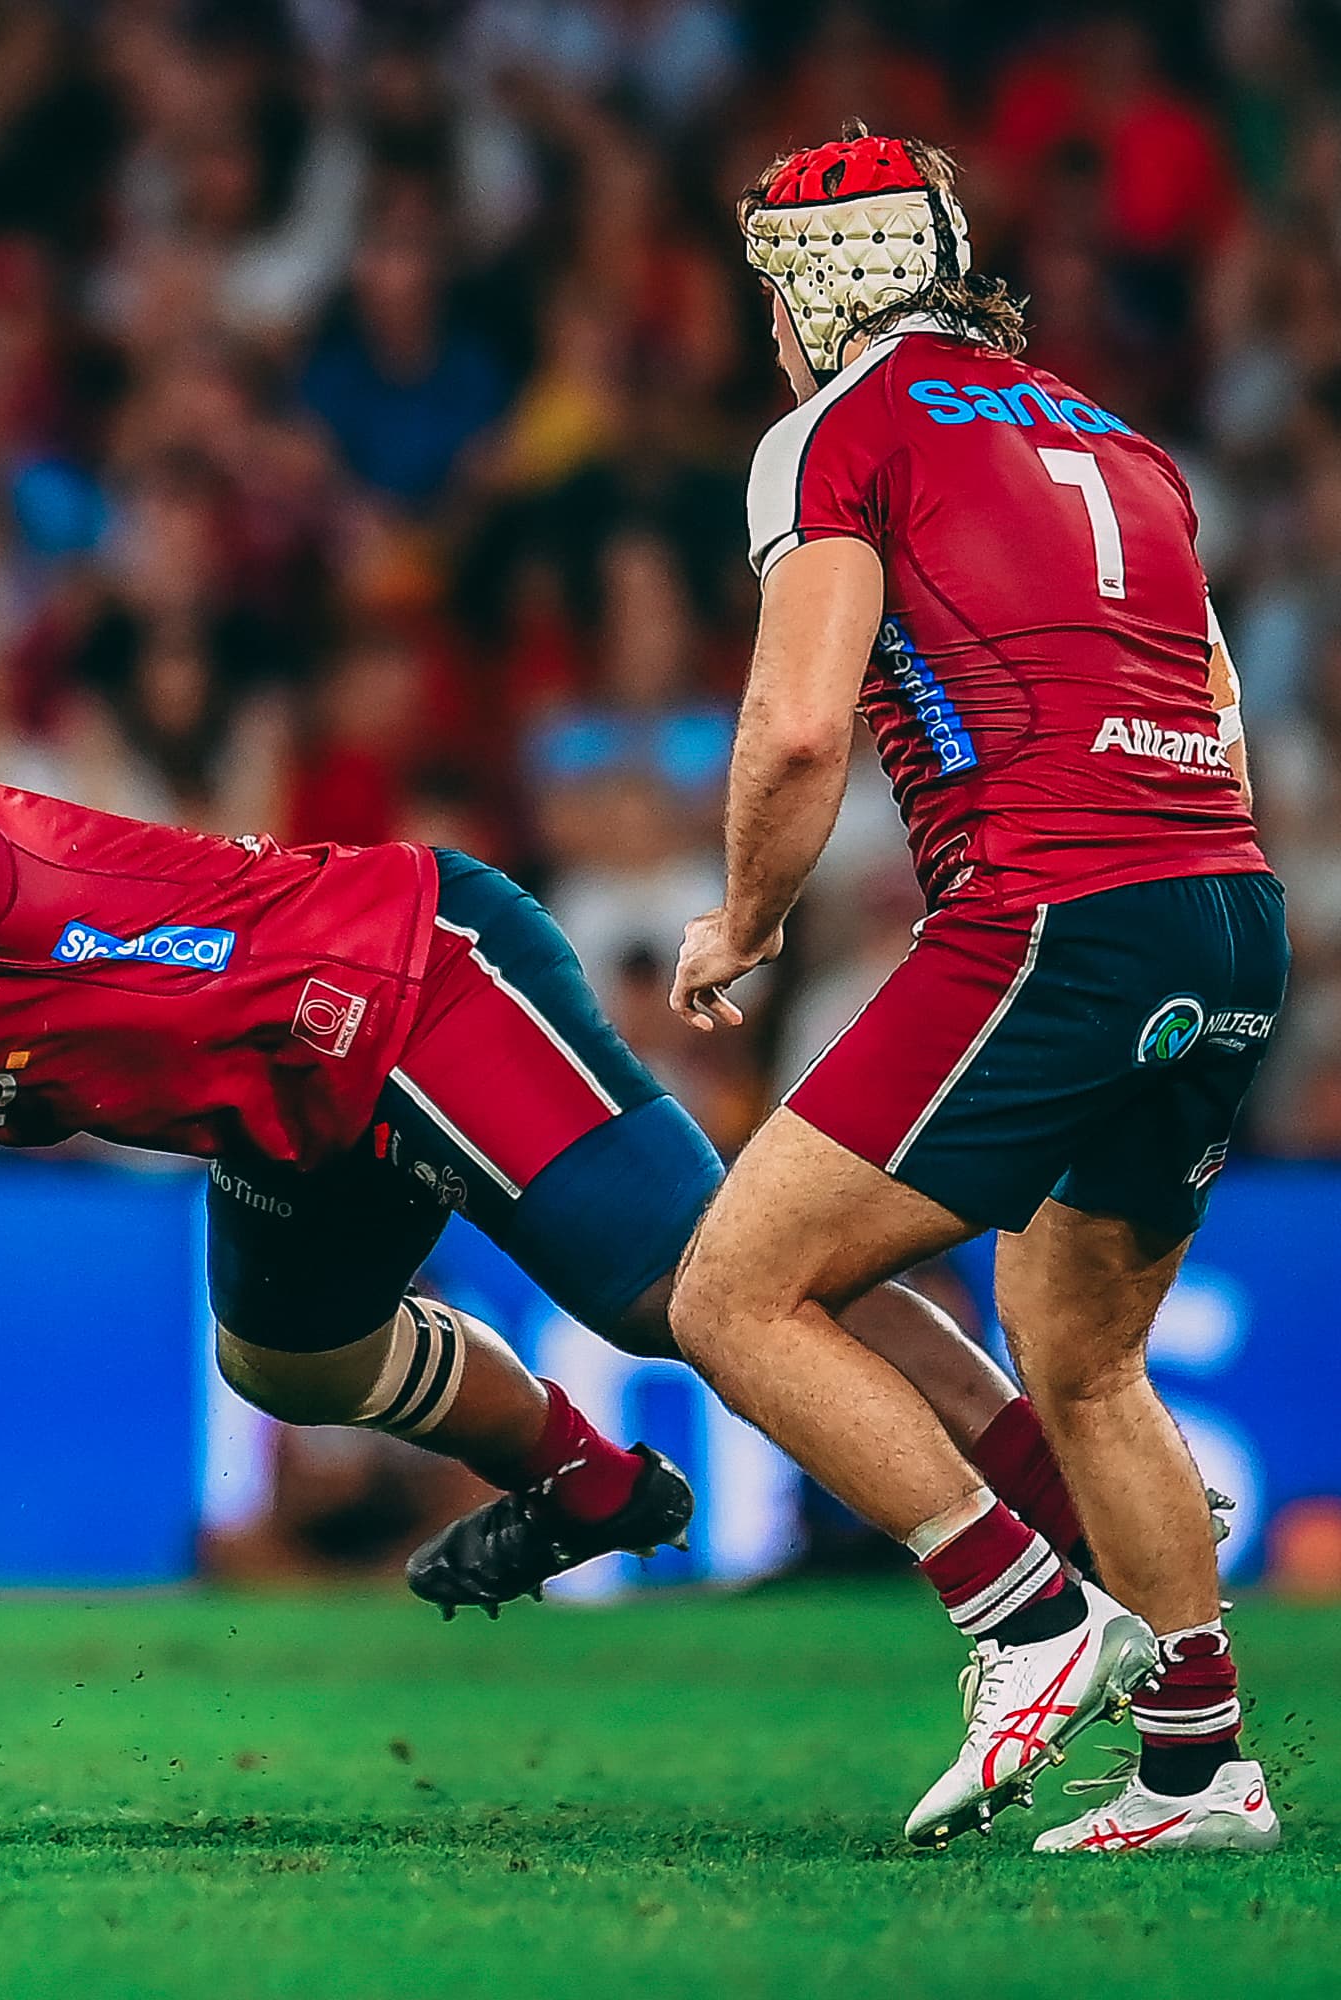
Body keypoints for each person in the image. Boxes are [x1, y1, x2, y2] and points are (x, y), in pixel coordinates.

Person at [0, 734, 1088, 1629]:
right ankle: (588, 1484)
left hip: (409, 974)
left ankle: (1050, 1495)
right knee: (284, 1357)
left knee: (700, 1286)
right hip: (289, 1118)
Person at [664, 128, 1282, 1853]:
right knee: (1084, 1360)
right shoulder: (1120, 439)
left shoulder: (835, 433)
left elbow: (799, 725)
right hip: (1226, 911)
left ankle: (1022, 1616)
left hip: (1053, 913)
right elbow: (1216, 707)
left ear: (814, 291)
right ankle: (1201, 1769)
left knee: (732, 1290)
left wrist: (745, 920)